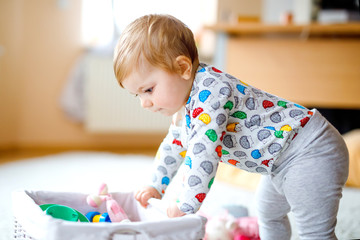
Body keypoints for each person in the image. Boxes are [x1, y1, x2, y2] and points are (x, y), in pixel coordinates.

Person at [113, 14, 349, 239]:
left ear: (183, 68)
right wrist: (156, 185)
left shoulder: (211, 91)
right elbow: (174, 147)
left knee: (314, 232)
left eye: (148, 90)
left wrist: (185, 204)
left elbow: (203, 153)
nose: (145, 103)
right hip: (278, 164)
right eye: (138, 95)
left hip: (310, 150)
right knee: (268, 213)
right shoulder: (184, 109)